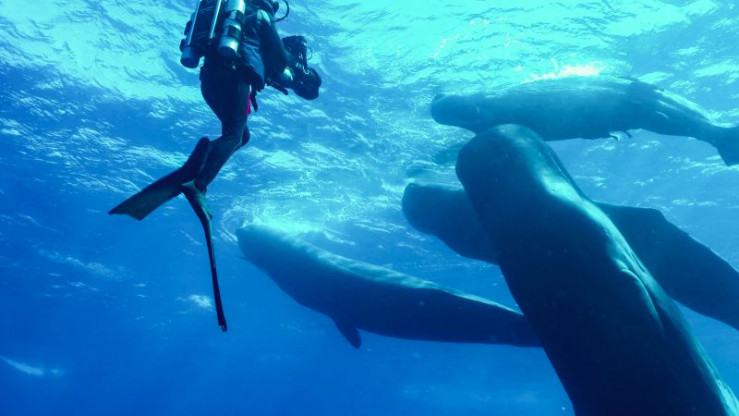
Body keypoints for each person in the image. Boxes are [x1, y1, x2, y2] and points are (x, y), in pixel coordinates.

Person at [110, 0, 321, 331]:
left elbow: (266, 60)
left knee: (239, 135)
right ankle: (197, 184)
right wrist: (293, 69)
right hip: (234, 76)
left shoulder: (229, 17)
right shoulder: (261, 15)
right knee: (235, 136)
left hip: (209, 79)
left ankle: (195, 168)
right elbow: (280, 63)